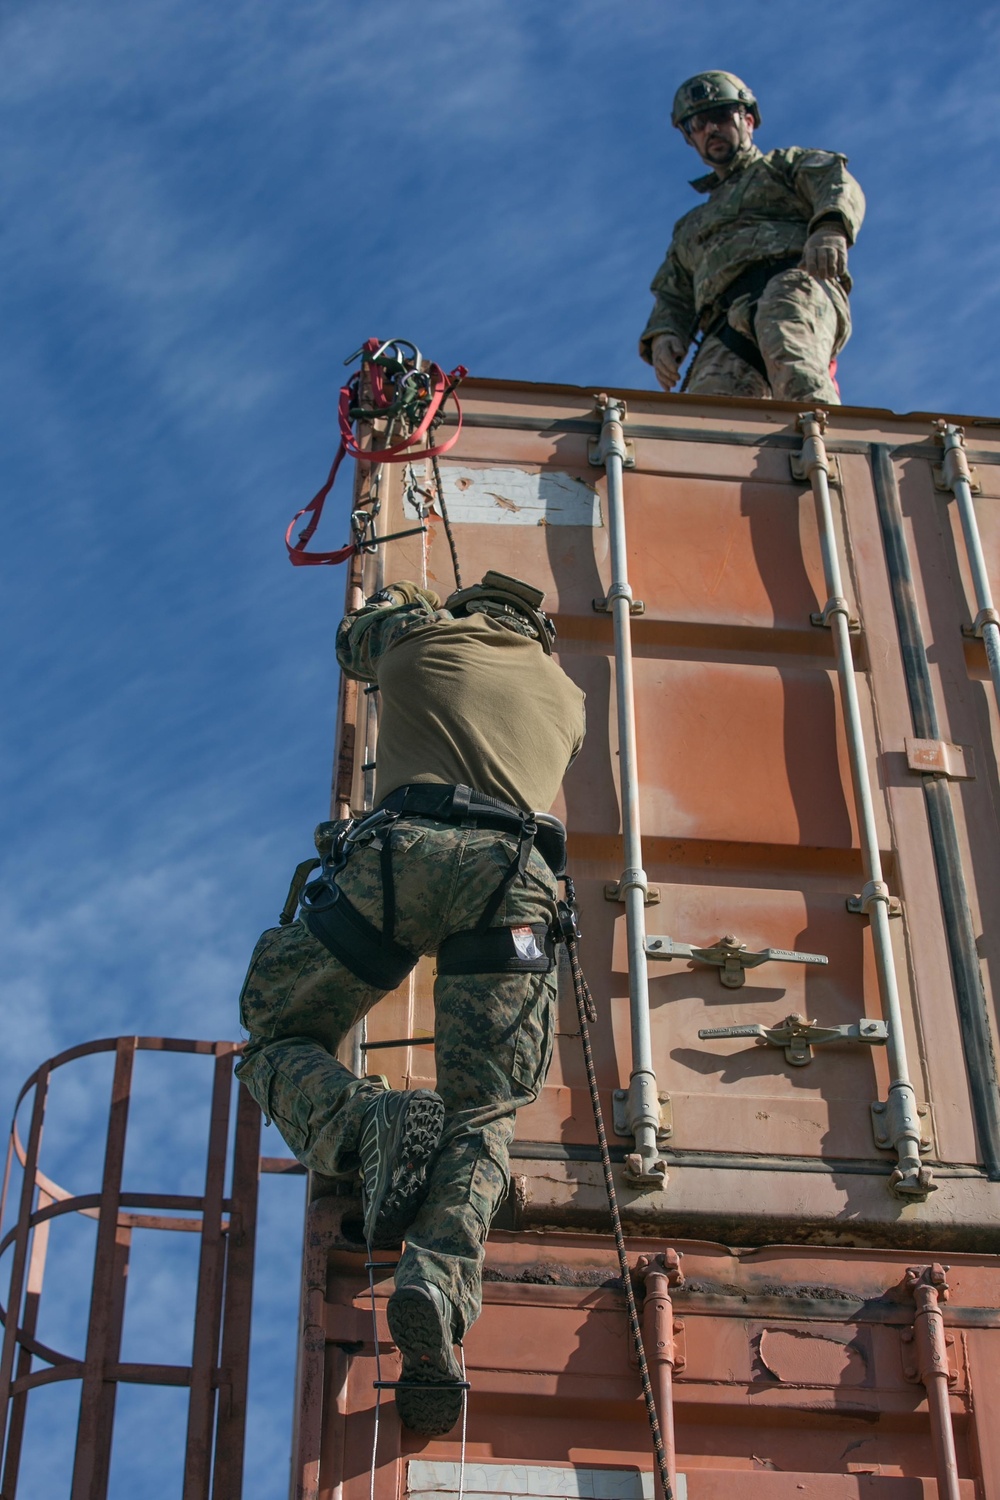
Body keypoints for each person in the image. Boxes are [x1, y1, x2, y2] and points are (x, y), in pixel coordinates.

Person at [235, 572, 586, 1437]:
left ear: (465, 614)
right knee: (485, 1109)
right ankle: (435, 1284)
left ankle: (363, 1127)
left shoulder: (419, 644)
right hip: (514, 886)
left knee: (277, 1033)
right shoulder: (567, 697)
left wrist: (408, 604)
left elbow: (358, 640)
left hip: (403, 861)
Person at [638, 70, 865, 403]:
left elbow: (834, 183)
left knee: (795, 365)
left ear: (747, 119)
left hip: (791, 284)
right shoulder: (692, 227)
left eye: (719, 116)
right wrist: (665, 335)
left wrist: (830, 228)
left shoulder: (782, 167)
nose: (710, 130)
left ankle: (824, 446)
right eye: (696, 125)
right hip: (723, 325)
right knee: (710, 412)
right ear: (689, 138)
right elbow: (673, 290)